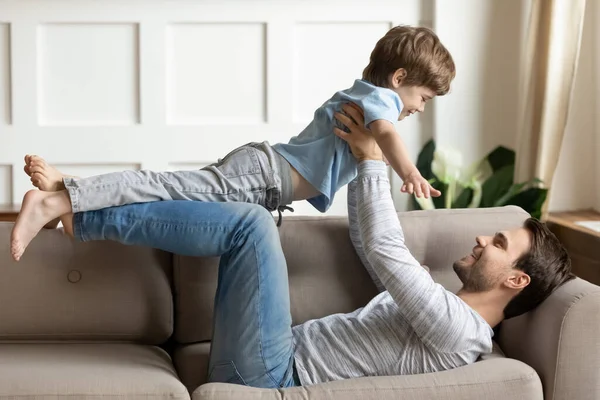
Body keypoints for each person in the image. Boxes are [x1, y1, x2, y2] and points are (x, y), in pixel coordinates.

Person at [9, 104, 573, 389]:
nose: (481, 238)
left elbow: (383, 247)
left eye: (498, 242)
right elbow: (366, 237)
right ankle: (80, 211)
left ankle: (79, 208)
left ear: (515, 280)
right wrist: (358, 161)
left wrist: (375, 161)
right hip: (266, 356)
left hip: (272, 374)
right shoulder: (442, 314)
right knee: (246, 213)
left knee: (251, 224)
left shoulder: (458, 329)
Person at [20, 25, 454, 245]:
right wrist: (411, 173)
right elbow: (387, 135)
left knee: (169, 204)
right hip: (261, 176)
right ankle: (60, 198)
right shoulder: (378, 102)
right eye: (422, 97)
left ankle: (70, 202)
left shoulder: (366, 100)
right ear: (398, 78)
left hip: (262, 182)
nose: (418, 108)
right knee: (164, 188)